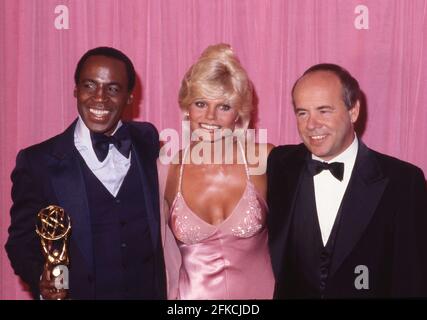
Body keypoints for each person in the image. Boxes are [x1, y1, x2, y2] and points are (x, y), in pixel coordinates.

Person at [5, 47, 166, 300]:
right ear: (76, 90)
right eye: (89, 86)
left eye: (113, 89)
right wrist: (41, 278)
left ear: (129, 98)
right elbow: (21, 242)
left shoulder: (147, 141)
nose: (99, 98)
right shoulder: (37, 162)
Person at [267, 63, 427, 298]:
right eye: (303, 112)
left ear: (353, 110)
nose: (311, 125)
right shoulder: (279, 164)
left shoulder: (403, 182)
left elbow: (412, 280)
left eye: (324, 111)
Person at [159, 44, 275, 299]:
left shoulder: (264, 159)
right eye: (200, 103)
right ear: (187, 108)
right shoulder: (167, 168)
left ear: (239, 113)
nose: (210, 117)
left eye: (224, 106)